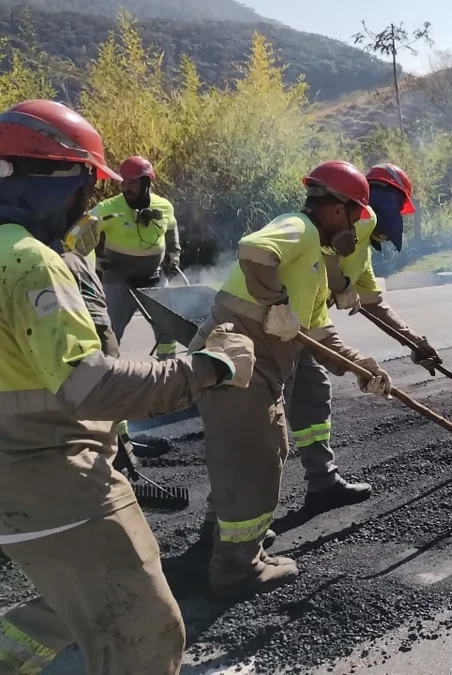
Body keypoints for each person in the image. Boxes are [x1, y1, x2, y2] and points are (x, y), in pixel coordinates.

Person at [0, 99, 255, 675]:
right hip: (56, 477)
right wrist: (209, 368)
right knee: (147, 634)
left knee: (74, 600)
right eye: (89, 186)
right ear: (63, 180)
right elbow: (89, 385)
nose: (88, 203)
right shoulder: (30, 263)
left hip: (17, 487)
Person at [191, 160, 395, 597]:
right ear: (336, 209)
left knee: (250, 451)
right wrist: (277, 305)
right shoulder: (299, 228)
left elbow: (322, 335)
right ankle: (237, 567)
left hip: (259, 362)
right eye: (357, 213)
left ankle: (226, 540)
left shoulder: (317, 268)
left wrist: (364, 369)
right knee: (255, 456)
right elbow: (253, 251)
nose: (359, 224)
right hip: (241, 354)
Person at [284, 163, 442, 515]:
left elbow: (375, 303)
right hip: (281, 327)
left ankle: (323, 482)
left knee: (313, 399)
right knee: (268, 424)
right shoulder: (362, 218)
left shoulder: (362, 252)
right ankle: (228, 523)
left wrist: (416, 343)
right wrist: (339, 283)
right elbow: (316, 256)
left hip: (308, 327)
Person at [91, 156, 182, 360]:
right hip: (117, 281)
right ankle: (106, 375)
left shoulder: (164, 206)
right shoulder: (107, 208)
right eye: (124, 181)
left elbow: (171, 229)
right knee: (109, 332)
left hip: (154, 280)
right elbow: (79, 232)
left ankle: (168, 370)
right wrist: (93, 261)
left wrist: (174, 254)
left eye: (133, 182)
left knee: (168, 328)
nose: (126, 187)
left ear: (147, 182)